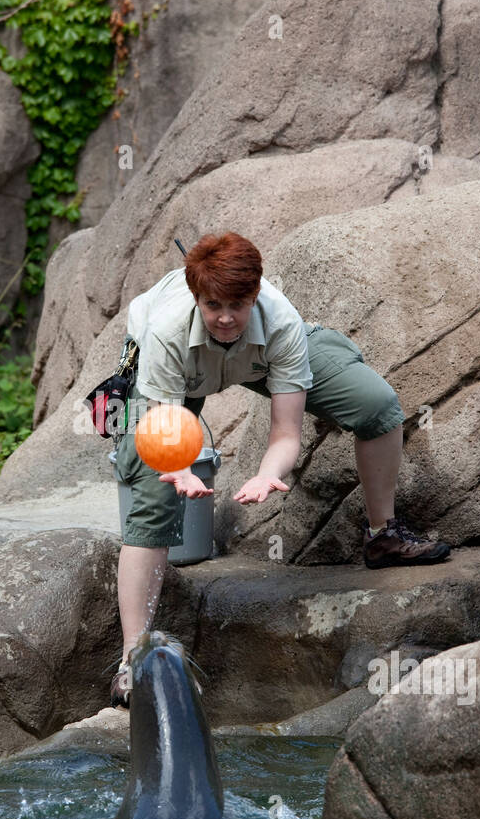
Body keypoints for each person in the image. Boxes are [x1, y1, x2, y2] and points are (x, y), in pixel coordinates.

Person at [108, 231, 451, 705]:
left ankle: (383, 533)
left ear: (255, 295)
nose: (226, 318)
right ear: (196, 298)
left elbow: (286, 433)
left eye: (239, 304)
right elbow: (168, 433)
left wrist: (270, 471)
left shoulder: (280, 320)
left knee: (376, 404)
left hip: (260, 357)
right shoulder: (164, 328)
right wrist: (180, 469)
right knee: (153, 488)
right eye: (213, 305)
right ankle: (134, 659)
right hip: (179, 371)